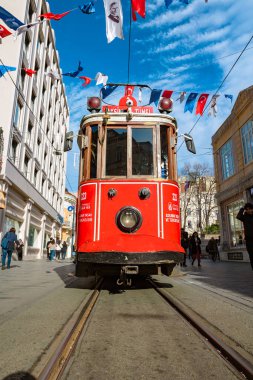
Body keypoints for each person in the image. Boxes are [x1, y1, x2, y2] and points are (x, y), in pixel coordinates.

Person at [236, 203, 253, 270]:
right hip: (249, 241)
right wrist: (242, 208)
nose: (248, 210)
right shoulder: (244, 217)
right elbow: (238, 216)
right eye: (247, 209)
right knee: (252, 256)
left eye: (250, 209)